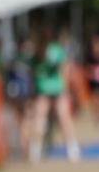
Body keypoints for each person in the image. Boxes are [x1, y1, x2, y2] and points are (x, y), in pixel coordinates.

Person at [31, 28, 81, 163]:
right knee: (64, 118)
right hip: (57, 88)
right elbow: (64, 69)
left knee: (40, 119)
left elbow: (35, 71)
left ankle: (36, 150)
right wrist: (66, 88)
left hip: (44, 88)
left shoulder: (36, 50)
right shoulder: (56, 49)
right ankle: (72, 149)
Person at [5, 34, 36, 157]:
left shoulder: (17, 60)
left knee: (24, 121)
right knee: (23, 121)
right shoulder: (23, 60)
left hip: (23, 94)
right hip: (22, 95)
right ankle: (25, 147)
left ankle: (25, 147)